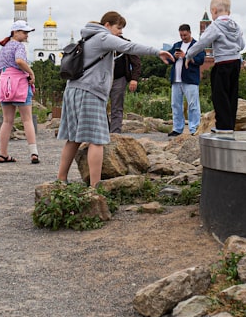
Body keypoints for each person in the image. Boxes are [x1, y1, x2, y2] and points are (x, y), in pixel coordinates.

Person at [57, 11, 174, 187]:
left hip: (72, 90)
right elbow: (130, 47)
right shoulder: (103, 37)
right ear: (107, 25)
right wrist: (157, 52)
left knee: (73, 138)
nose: (120, 32)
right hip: (90, 92)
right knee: (97, 140)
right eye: (118, 28)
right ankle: (95, 188)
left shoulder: (87, 38)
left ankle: (61, 179)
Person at [185, 0, 245, 133]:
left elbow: (202, 42)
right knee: (232, 94)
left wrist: (189, 55)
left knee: (219, 94)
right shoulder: (236, 26)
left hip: (222, 63)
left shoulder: (215, 26)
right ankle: (230, 125)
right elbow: (242, 45)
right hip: (235, 63)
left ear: (214, 11)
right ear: (228, 12)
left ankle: (223, 126)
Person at [0, 20, 39, 164]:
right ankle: (34, 153)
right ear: (15, 32)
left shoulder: (4, 47)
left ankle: (3, 153)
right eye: (25, 32)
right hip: (19, 84)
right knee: (27, 119)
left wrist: (3, 78)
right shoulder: (19, 46)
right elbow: (19, 61)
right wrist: (31, 72)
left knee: (7, 121)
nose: (27, 35)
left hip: (5, 85)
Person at [166, 23, 206, 136]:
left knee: (193, 105)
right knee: (175, 105)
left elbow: (200, 60)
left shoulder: (197, 45)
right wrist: (174, 56)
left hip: (190, 79)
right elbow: (168, 60)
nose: (183, 37)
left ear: (190, 33)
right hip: (176, 80)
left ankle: (194, 129)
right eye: (181, 35)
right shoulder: (177, 45)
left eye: (185, 35)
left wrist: (186, 56)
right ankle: (177, 129)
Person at [108, 42, 141, 133]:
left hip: (119, 78)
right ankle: (104, 130)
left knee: (117, 107)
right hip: (102, 79)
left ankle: (115, 133)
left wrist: (134, 79)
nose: (120, 31)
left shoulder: (125, 43)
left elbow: (136, 63)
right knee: (99, 106)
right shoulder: (102, 40)